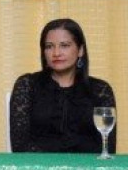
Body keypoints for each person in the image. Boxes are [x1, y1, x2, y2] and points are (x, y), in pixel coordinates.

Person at [9, 18, 117, 153]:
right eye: (49, 46)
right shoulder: (27, 85)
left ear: (80, 50)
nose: (56, 53)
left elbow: (107, 148)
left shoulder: (100, 90)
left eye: (64, 45)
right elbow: (20, 146)